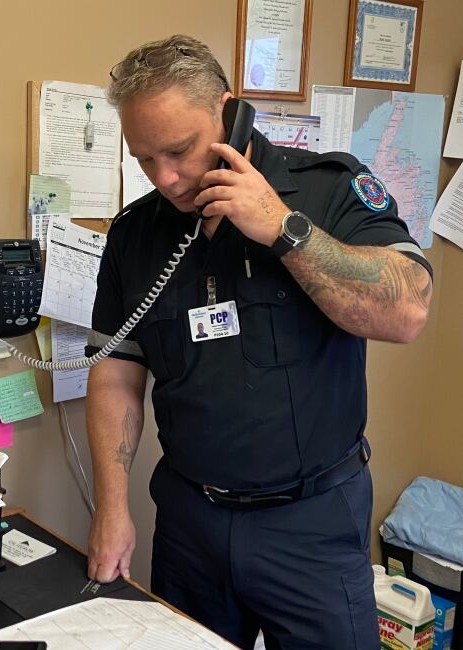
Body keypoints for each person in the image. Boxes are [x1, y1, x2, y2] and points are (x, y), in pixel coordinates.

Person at [84, 35, 433, 650]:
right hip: (191, 523)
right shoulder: (137, 233)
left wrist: (283, 228)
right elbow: (117, 370)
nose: (165, 178)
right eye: (144, 160)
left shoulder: (327, 189)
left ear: (228, 111)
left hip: (312, 527)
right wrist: (111, 508)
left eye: (179, 150)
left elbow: (406, 309)